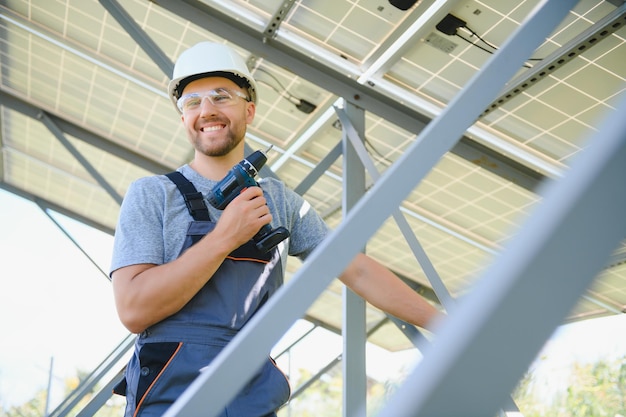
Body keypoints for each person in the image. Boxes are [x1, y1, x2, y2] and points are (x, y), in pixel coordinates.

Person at [110, 41, 440, 417]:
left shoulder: (283, 202)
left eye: (221, 97)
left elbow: (358, 269)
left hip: (249, 391)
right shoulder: (153, 194)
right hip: (171, 393)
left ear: (249, 110)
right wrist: (223, 238)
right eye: (192, 102)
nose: (207, 111)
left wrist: (446, 325)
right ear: (183, 117)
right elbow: (134, 309)